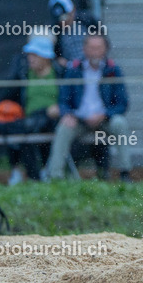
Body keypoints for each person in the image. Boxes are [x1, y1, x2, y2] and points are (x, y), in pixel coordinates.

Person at [44, 34, 131, 181]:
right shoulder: (74, 70)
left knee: (120, 123)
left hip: (105, 119)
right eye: (91, 48)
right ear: (84, 49)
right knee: (63, 128)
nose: (95, 52)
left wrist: (105, 114)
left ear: (106, 50)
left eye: (98, 48)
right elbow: (63, 100)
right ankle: (55, 176)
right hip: (79, 119)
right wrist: (68, 114)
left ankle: (125, 173)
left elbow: (123, 103)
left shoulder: (113, 70)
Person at [0, 36, 62, 185]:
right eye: (29, 55)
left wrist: (61, 107)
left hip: (52, 118)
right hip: (30, 119)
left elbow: (70, 98)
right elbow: (8, 95)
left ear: (46, 57)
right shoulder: (24, 73)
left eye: (34, 55)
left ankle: (37, 174)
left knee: (22, 130)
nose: (30, 59)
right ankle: (33, 176)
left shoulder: (59, 73)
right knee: (23, 132)